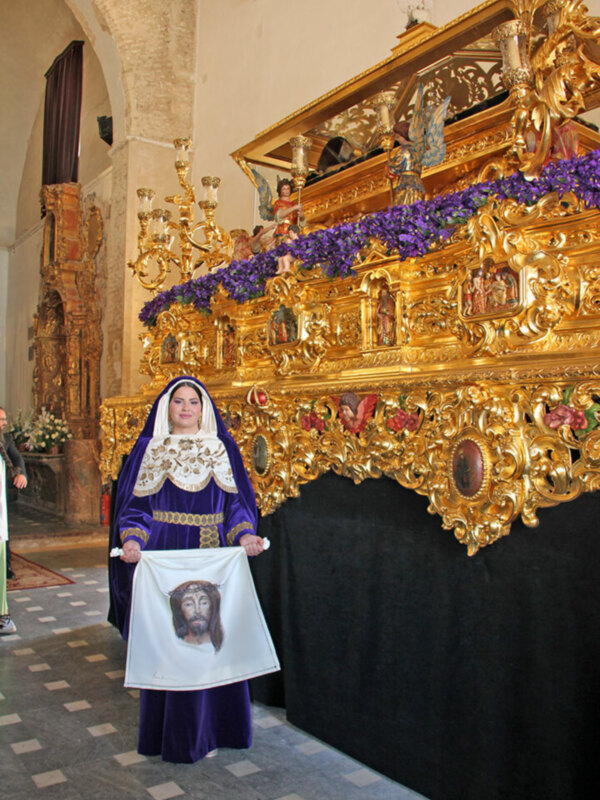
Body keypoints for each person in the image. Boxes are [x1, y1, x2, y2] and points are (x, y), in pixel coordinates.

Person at [108, 376, 265, 763]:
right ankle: (174, 735)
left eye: (193, 402)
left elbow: (236, 504)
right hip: (164, 556)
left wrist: (245, 534)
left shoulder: (221, 448)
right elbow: (135, 508)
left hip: (210, 553)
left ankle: (216, 730)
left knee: (210, 640)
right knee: (171, 641)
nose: (185, 408)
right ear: (167, 407)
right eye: (178, 401)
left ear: (203, 408)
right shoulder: (150, 448)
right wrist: (133, 540)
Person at [0, 406, 28, 635]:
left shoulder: (5, 439)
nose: (4, 423)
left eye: (4, 419)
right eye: (0, 419)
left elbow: (17, 459)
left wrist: (20, 474)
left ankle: (2, 616)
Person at [170, 579, 224, 649]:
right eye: (189, 604)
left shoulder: (225, 646)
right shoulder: (173, 647)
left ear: (212, 607)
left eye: (204, 603)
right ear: (180, 610)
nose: (197, 611)